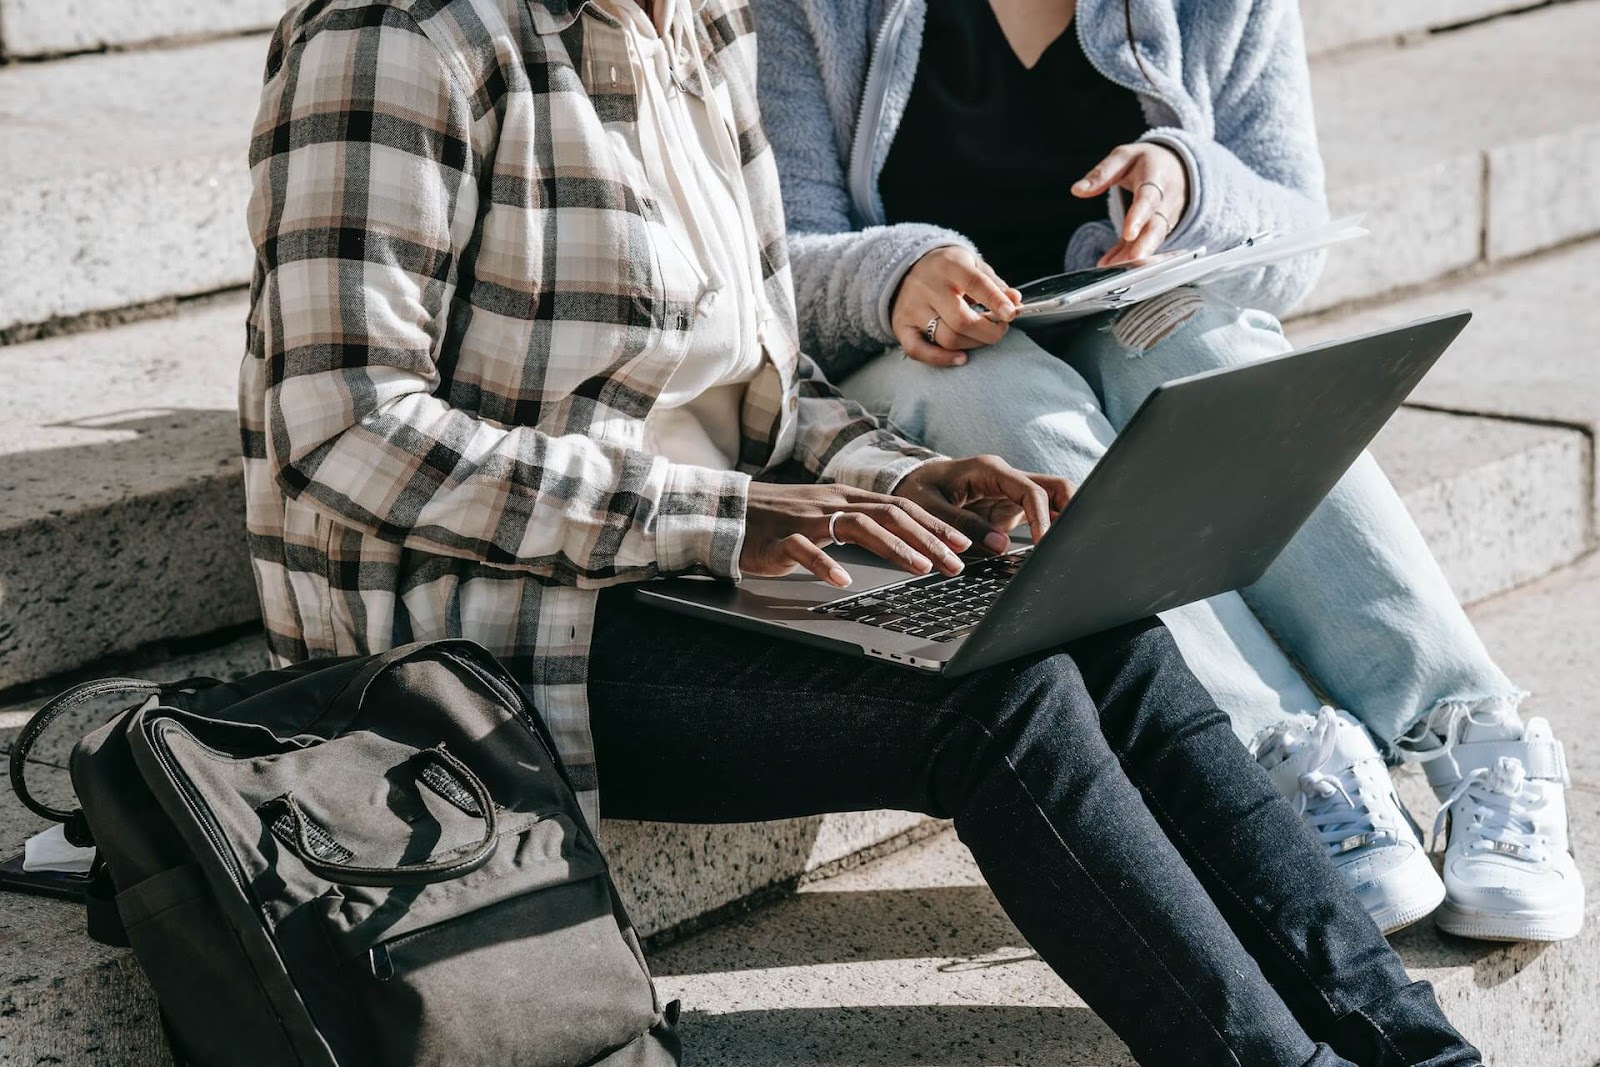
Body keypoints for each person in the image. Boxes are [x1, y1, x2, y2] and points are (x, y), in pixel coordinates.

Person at [239, 0, 1487, 1062]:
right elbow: (344, 430)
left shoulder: (701, 26)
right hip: (490, 630)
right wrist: (725, 515)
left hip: (708, 559)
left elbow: (765, 383)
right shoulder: (400, 35)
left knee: (1087, 609)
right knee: (1000, 700)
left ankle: (1418, 1045)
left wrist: (907, 472)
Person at [754, 0, 1583, 944]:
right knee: (1005, 409)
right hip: (923, 352)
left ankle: (1474, 729)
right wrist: (895, 274)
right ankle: (1277, 750)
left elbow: (1292, 239)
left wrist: (1191, 184)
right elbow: (772, 262)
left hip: (1128, 312)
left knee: (1216, 349)